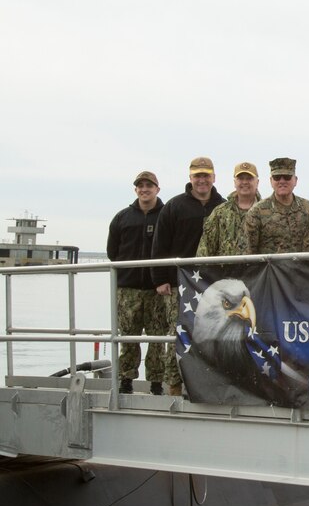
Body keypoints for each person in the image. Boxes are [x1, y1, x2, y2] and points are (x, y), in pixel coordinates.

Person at [151, 156, 226, 395]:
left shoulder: (222, 207)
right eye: (197, 176)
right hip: (178, 283)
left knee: (211, 336)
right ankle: (174, 385)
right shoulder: (174, 206)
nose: (202, 180)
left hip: (212, 286)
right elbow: (159, 244)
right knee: (177, 333)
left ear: (214, 177)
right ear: (190, 178)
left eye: (206, 175)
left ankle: (207, 384)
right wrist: (160, 279)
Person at [106, 171, 170, 395]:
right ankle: (126, 381)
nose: (144, 189)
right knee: (127, 337)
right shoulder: (122, 218)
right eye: (140, 186)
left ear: (157, 189)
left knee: (157, 339)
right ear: (136, 190)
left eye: (149, 186)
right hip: (128, 289)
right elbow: (112, 252)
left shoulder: (166, 215)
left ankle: (156, 383)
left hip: (157, 289)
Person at [244, 158, 309, 254]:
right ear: (271, 181)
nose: (282, 181)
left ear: (295, 180)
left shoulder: (308, 209)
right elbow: (250, 251)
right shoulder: (257, 212)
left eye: (287, 177)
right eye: (277, 177)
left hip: (302, 264)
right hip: (270, 264)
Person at [197, 161, 260, 257]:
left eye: (249, 178)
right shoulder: (220, 212)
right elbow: (205, 248)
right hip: (224, 267)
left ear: (257, 182)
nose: (245, 182)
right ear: (235, 182)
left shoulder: (265, 212)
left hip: (257, 267)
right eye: (241, 178)